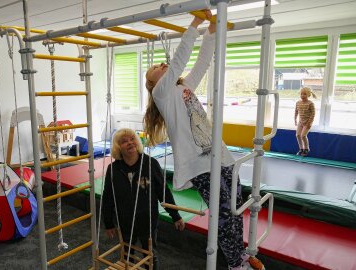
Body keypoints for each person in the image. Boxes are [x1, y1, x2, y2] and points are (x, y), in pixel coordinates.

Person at [143, 10, 264, 270]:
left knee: (234, 207)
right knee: (222, 212)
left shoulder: (182, 86)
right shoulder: (162, 94)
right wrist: (195, 23)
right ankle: (234, 263)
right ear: (153, 84)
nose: (162, 66)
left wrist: (212, 30)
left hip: (220, 155)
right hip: (199, 164)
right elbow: (179, 60)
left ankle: (238, 255)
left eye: (159, 65)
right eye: (156, 68)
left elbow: (202, 62)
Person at [102, 128, 185, 270]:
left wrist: (175, 215)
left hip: (148, 220)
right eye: (124, 141)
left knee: (150, 255)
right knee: (127, 255)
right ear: (118, 147)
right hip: (125, 220)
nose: (130, 143)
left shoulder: (150, 163)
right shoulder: (113, 169)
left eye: (132, 139)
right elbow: (108, 197)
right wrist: (108, 223)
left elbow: (163, 192)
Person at [294, 86, 316, 157]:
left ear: (308, 95)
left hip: (307, 122)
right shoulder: (298, 103)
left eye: (304, 94)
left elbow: (313, 114)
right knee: (297, 135)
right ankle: (301, 149)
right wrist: (295, 119)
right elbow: (296, 112)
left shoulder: (310, 103)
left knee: (303, 135)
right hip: (301, 122)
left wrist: (309, 123)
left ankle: (306, 149)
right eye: (301, 94)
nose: (302, 96)